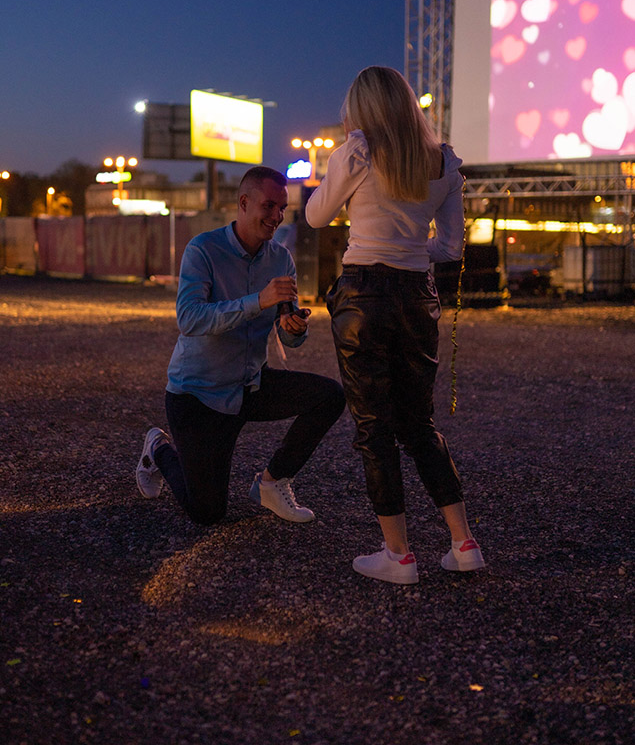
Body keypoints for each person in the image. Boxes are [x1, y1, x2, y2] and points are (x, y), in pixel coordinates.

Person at [305, 66, 485, 584]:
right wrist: (409, 249)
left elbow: (316, 216)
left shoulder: (357, 153)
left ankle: (399, 555)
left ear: (362, 107)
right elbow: (450, 247)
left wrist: (378, 238)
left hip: (363, 294)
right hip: (416, 297)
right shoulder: (443, 161)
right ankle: (463, 543)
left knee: (374, 427)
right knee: (418, 424)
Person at [136, 165, 345, 526]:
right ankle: (159, 449)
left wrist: (293, 327)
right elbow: (189, 319)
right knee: (207, 513)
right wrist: (257, 301)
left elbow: (290, 336)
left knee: (331, 396)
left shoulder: (280, 259)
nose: (277, 216)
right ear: (244, 203)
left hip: (251, 385)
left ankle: (272, 482)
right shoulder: (203, 249)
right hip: (199, 395)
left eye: (282, 208)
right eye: (269, 206)